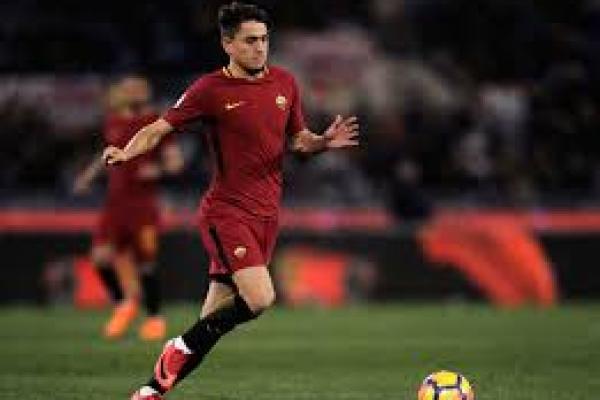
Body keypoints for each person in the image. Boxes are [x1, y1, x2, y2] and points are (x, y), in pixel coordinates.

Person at [102, 3, 359, 399]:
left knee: (210, 322)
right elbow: (158, 129)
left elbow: (298, 141)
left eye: (265, 39)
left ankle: (150, 391)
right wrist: (126, 152)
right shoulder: (210, 89)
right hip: (226, 212)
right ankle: (176, 347)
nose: (260, 48)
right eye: (250, 40)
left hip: (267, 216)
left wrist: (322, 142)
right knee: (260, 297)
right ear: (228, 44)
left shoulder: (285, 83)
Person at [74, 75, 184, 341]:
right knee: (100, 258)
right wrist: (88, 176)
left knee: (146, 265)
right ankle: (123, 304)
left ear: (147, 92)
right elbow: (106, 154)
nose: (133, 93)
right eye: (129, 89)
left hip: (143, 206)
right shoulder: (113, 121)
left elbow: (175, 163)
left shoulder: (157, 122)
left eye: (138, 89)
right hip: (115, 205)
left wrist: (157, 170)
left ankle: (154, 318)